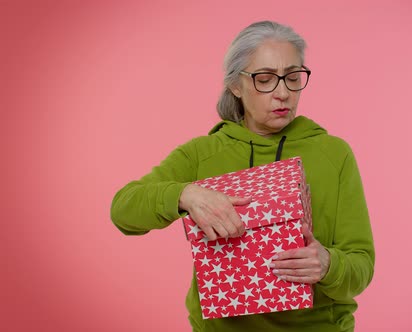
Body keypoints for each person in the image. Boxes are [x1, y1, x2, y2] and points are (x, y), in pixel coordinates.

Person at [110, 20, 375, 332]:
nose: (283, 94)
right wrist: (186, 194)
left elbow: (361, 265)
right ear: (236, 85)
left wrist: (329, 264)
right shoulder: (202, 153)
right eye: (265, 80)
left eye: (292, 77)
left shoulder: (334, 153)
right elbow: (123, 210)